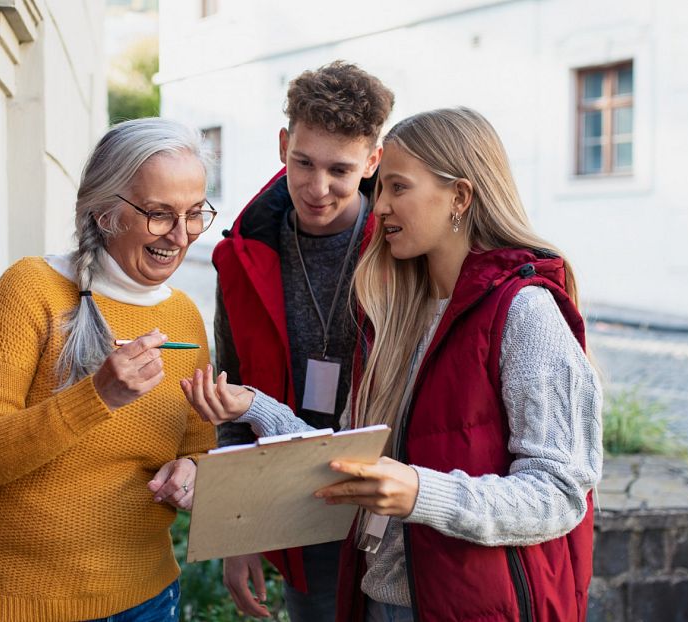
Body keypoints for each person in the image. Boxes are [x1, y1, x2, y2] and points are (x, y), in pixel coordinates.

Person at [185, 107, 602, 622]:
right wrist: (255, 407)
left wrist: (420, 492)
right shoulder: (395, 312)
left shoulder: (525, 312)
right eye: (380, 188)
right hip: (377, 598)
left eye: (396, 188)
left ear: (460, 197)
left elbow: (561, 494)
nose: (377, 205)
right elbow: (353, 457)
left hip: (471, 606)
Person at [0, 117, 218, 622]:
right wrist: (97, 396)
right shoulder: (31, 289)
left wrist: (192, 472)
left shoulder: (184, 315)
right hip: (23, 603)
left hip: (147, 598)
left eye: (195, 213)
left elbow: (196, 447)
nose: (181, 236)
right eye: (159, 215)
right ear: (103, 213)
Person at [211, 60, 394, 619]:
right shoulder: (242, 254)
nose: (318, 189)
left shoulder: (403, 244)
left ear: (372, 160)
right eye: (303, 163)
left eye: (340, 169)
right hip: (301, 505)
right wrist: (236, 530)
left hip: (399, 502)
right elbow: (232, 393)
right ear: (284, 143)